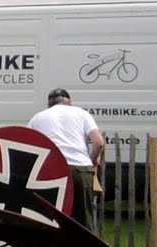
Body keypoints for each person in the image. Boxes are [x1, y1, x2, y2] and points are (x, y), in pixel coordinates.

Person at [27, 87, 105, 233]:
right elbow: (99, 142)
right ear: (69, 102)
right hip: (80, 169)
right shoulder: (81, 114)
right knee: (83, 221)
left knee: (51, 219)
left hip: (51, 172)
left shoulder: (37, 118)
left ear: (49, 104)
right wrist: (93, 158)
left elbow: (29, 146)